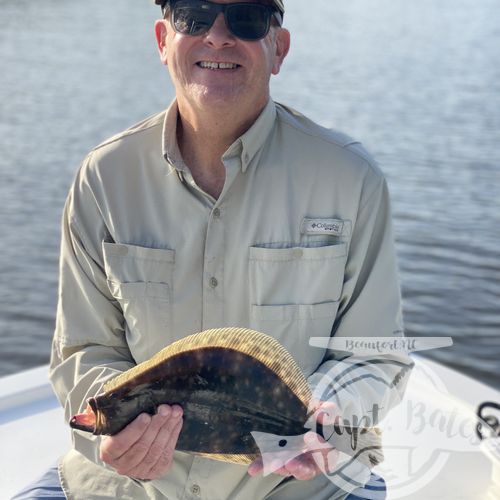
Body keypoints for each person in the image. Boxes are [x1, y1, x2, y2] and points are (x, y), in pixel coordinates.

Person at [14, 0, 412, 498]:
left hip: (302, 485)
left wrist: (335, 413)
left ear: (278, 48)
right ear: (163, 40)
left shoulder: (351, 178)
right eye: (194, 15)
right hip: (125, 486)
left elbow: (376, 356)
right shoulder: (103, 178)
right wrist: (112, 434)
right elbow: (83, 350)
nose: (219, 36)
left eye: (245, 17)